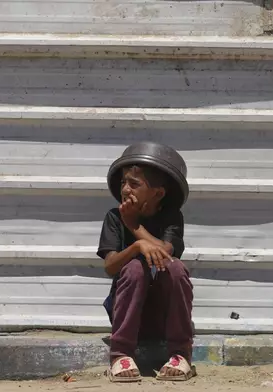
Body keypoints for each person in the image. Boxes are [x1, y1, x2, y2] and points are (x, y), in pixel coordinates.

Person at [97, 142, 195, 382]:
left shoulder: (171, 217)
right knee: (133, 267)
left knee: (175, 268)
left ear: (158, 193)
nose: (125, 189)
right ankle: (120, 355)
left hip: (163, 318)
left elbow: (165, 253)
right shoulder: (114, 217)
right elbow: (110, 267)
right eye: (123, 183)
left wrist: (134, 226)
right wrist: (136, 246)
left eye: (134, 183)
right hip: (127, 315)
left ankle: (180, 354)